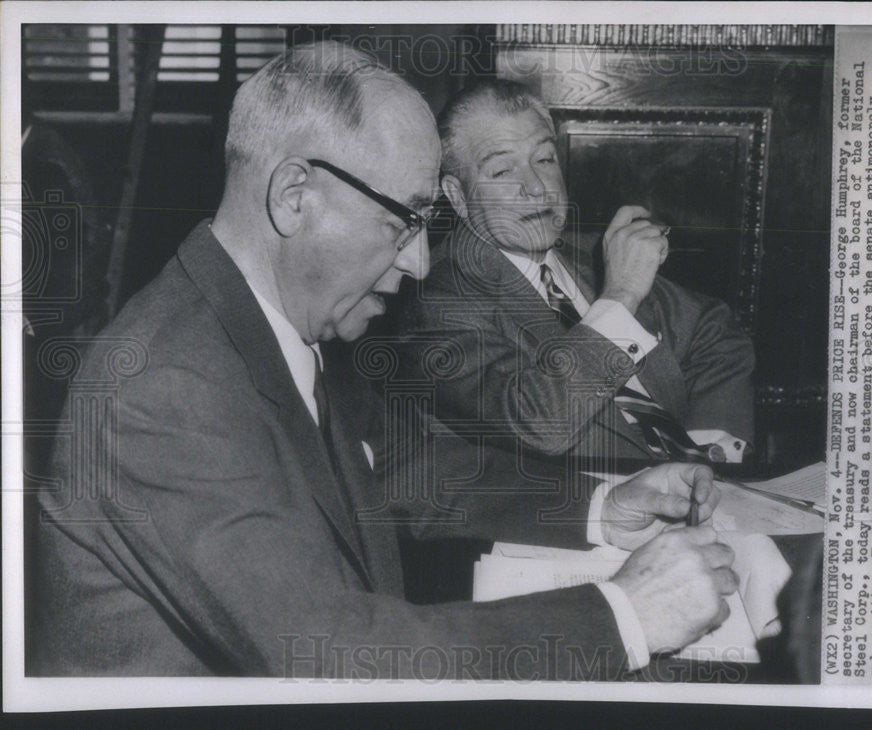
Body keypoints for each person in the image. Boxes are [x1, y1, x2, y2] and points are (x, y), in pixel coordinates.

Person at [29, 42, 739, 680]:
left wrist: (602, 508)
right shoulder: (167, 387)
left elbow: (410, 473)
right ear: (294, 197)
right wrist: (624, 617)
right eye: (404, 219)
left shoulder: (270, 325)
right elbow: (327, 648)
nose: (419, 259)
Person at [393, 80, 755, 469]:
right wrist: (620, 296)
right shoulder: (434, 304)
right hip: (580, 519)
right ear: (459, 196)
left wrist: (704, 456)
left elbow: (712, 330)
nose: (536, 187)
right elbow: (540, 424)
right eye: (501, 170)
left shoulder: (589, 255)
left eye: (544, 160)